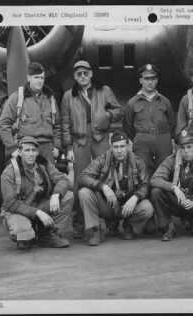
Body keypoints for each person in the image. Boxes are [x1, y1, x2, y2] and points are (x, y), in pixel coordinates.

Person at [61, 60, 123, 239]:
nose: (82, 76)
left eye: (85, 73)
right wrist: (68, 147)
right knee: (80, 182)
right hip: (80, 141)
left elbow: (119, 110)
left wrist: (108, 115)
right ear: (75, 76)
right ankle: (80, 224)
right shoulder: (68, 96)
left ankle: (111, 221)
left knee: (107, 178)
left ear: (91, 74)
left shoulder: (104, 90)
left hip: (100, 138)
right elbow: (65, 123)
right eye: (79, 74)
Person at [77, 131, 154, 246]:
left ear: (128, 146)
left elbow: (145, 185)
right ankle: (96, 230)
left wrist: (135, 198)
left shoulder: (137, 162)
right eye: (116, 147)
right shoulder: (102, 160)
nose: (119, 150)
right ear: (111, 148)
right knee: (84, 193)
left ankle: (129, 225)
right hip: (106, 204)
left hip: (126, 206)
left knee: (147, 207)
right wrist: (103, 187)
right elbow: (83, 177)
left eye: (122, 146)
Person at [0, 137, 73, 250]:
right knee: (25, 239)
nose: (31, 154)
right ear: (19, 152)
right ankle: (30, 230)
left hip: (39, 205)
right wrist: (37, 212)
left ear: (37, 152)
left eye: (33, 150)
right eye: (27, 150)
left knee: (68, 196)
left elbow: (63, 179)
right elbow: (11, 203)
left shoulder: (43, 164)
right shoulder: (9, 172)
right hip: (18, 211)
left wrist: (56, 194)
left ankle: (48, 233)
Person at [151, 130, 193, 241]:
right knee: (156, 192)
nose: (186, 151)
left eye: (189, 147)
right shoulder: (171, 161)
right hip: (177, 201)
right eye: (183, 148)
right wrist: (173, 187)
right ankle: (168, 228)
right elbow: (154, 179)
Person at [0, 62, 61, 163]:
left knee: (48, 178)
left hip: (47, 149)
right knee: (26, 178)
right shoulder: (17, 98)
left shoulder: (50, 99)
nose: (40, 81)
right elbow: (3, 124)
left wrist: (57, 147)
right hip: (26, 147)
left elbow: (57, 125)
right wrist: (12, 148)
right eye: (36, 77)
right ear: (28, 78)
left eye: (42, 78)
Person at [123, 63, 175, 177]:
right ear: (141, 80)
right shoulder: (132, 103)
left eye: (153, 78)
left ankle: (161, 194)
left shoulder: (165, 102)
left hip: (163, 141)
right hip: (142, 142)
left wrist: (163, 136)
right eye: (146, 79)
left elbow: (172, 123)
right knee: (143, 173)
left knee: (164, 172)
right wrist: (141, 137)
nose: (150, 82)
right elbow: (127, 126)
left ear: (157, 80)